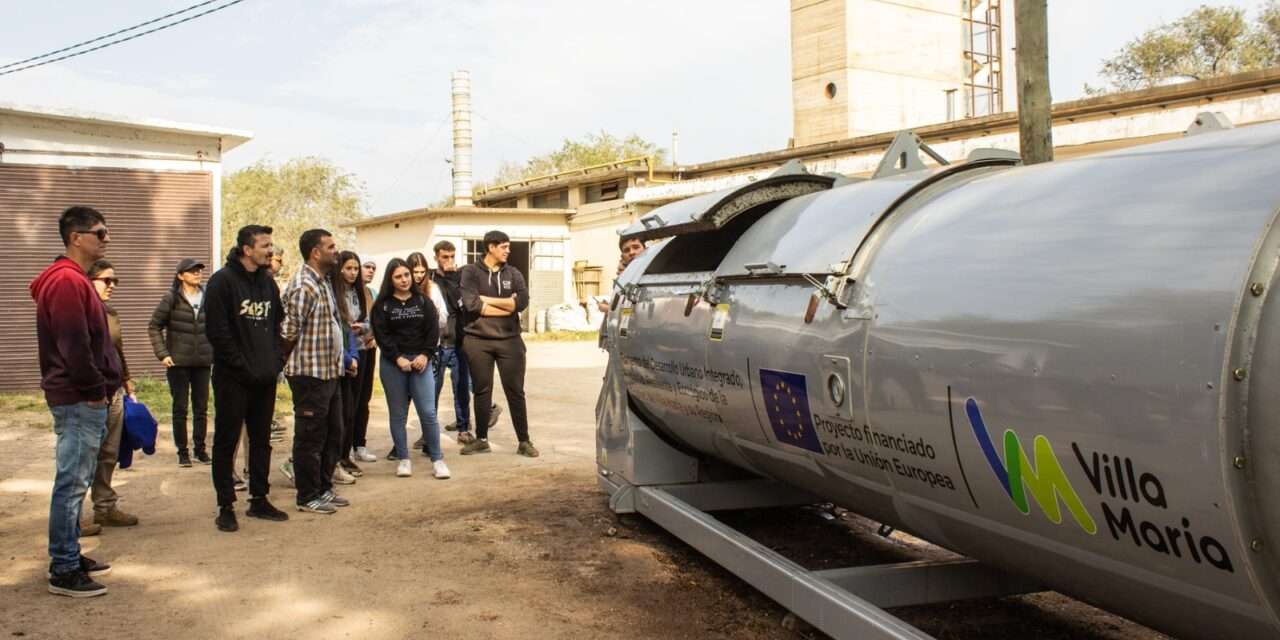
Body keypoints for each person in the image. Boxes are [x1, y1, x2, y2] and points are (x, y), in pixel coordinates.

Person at [33, 205, 121, 597]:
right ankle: (64, 569)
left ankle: (70, 552)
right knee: (70, 483)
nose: (106, 239)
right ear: (76, 237)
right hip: (78, 397)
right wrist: (95, 391)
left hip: (80, 396)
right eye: (100, 233)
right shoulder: (67, 281)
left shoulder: (73, 279)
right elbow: (75, 345)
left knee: (77, 480)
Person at [205, 225, 290, 532]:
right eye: (265, 245)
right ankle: (225, 505)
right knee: (227, 441)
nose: (271, 250)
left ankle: (259, 499)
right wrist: (242, 366)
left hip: (265, 377)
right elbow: (218, 332)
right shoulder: (222, 282)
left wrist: (276, 361)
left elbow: (278, 324)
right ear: (246, 249)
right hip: (233, 378)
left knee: (261, 441)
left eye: (271, 244)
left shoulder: (268, 284)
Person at [280, 229, 348, 514]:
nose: (336, 251)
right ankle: (307, 496)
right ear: (315, 252)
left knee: (334, 432)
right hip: (309, 374)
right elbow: (287, 332)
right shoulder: (303, 285)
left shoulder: (323, 282)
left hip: (329, 372)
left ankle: (323, 488)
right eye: (331, 247)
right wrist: (285, 365)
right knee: (310, 437)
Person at [459, 230, 538, 457]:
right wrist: (507, 305)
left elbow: (521, 303)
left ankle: (524, 441)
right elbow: (471, 305)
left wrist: (487, 300)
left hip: (510, 341)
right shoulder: (471, 272)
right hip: (477, 340)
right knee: (482, 391)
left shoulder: (513, 273)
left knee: (515, 391)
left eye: (508, 247)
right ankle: (482, 439)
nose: (508, 251)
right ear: (491, 247)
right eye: (504, 246)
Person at [370, 258, 450, 479]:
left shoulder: (423, 302)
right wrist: (397, 358)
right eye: (398, 276)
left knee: (428, 413)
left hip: (421, 363)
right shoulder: (382, 306)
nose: (404, 279)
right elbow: (382, 336)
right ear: (390, 279)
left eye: (406, 275)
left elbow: (432, 332)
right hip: (394, 364)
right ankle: (404, 459)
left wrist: (425, 355)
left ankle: (438, 459)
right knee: (398, 414)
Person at [86, 260, 139, 529]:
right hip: (89, 394)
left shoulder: (110, 312)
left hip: (114, 389)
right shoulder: (80, 310)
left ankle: (105, 507)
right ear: (89, 280)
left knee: (109, 452)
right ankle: (71, 517)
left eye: (114, 281)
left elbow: (117, 349)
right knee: (85, 455)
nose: (112, 286)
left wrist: (127, 379)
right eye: (106, 280)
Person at [148, 258, 213, 467]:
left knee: (201, 408)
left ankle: (200, 450)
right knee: (181, 408)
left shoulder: (208, 297)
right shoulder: (171, 298)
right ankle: (183, 452)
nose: (197, 274)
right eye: (192, 271)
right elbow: (154, 326)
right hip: (178, 362)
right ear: (180, 275)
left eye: (199, 271)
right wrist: (162, 353)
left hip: (203, 361)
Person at [430, 241, 475, 444]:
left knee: (461, 389)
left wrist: (451, 277)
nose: (449, 261)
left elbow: (461, 304)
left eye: (451, 256)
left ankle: (464, 429)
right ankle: (428, 432)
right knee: (432, 390)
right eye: (444, 257)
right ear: (436, 258)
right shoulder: (430, 278)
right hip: (438, 344)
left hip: (459, 342)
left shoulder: (460, 277)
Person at [330, 251, 365, 483]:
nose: (352, 273)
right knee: (338, 412)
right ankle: (335, 459)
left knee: (353, 408)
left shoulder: (359, 293)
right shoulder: (332, 292)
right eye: (348, 268)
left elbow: (367, 318)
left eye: (356, 268)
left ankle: (345, 454)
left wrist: (364, 327)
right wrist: (346, 358)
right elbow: (340, 328)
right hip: (337, 357)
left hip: (358, 351)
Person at [352, 259, 379, 463]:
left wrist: (374, 336)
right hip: (352, 353)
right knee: (351, 401)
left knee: (364, 399)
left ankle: (360, 444)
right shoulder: (348, 293)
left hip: (369, 350)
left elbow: (378, 321)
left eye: (373, 268)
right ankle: (346, 449)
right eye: (367, 267)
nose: (371, 271)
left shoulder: (373, 294)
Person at [598, 237, 646, 313]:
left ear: (646, 249)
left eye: (636, 247)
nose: (631, 252)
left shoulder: (653, 275)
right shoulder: (626, 280)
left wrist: (609, 310)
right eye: (626, 250)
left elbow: (641, 313)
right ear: (623, 256)